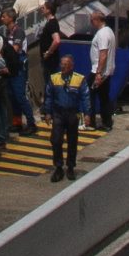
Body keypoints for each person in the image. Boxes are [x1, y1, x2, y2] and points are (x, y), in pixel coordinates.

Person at [45, 53, 87, 182]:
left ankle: (70, 167)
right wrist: (47, 112)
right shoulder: (54, 78)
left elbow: (85, 97)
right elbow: (49, 96)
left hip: (73, 114)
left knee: (72, 141)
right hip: (58, 113)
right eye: (61, 64)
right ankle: (58, 167)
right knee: (56, 140)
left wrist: (87, 114)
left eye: (66, 65)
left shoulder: (79, 79)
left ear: (71, 66)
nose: (63, 67)